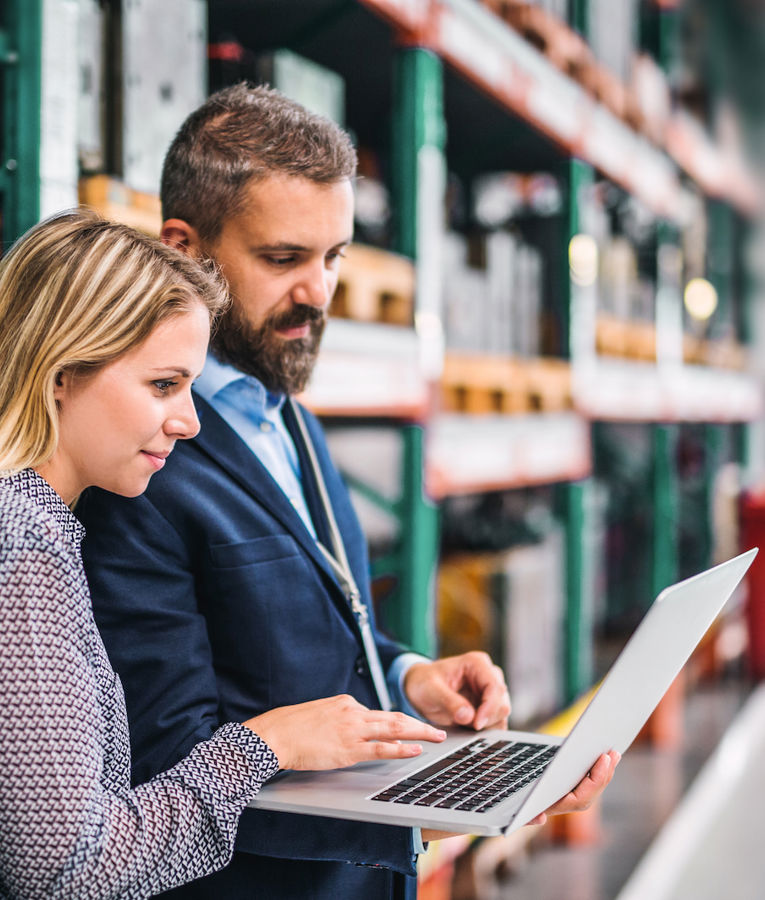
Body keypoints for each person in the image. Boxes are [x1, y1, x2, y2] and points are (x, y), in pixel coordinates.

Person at [78, 85, 618, 900]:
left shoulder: (282, 410)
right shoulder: (138, 464)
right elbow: (168, 770)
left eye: (334, 257)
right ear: (184, 248)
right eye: (284, 259)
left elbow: (308, 630)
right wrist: (433, 814)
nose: (320, 293)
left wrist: (404, 676)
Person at [0, 210, 448, 900]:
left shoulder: (44, 530)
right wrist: (264, 745)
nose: (190, 420)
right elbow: (67, 868)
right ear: (62, 371)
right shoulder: (23, 545)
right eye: (162, 385)